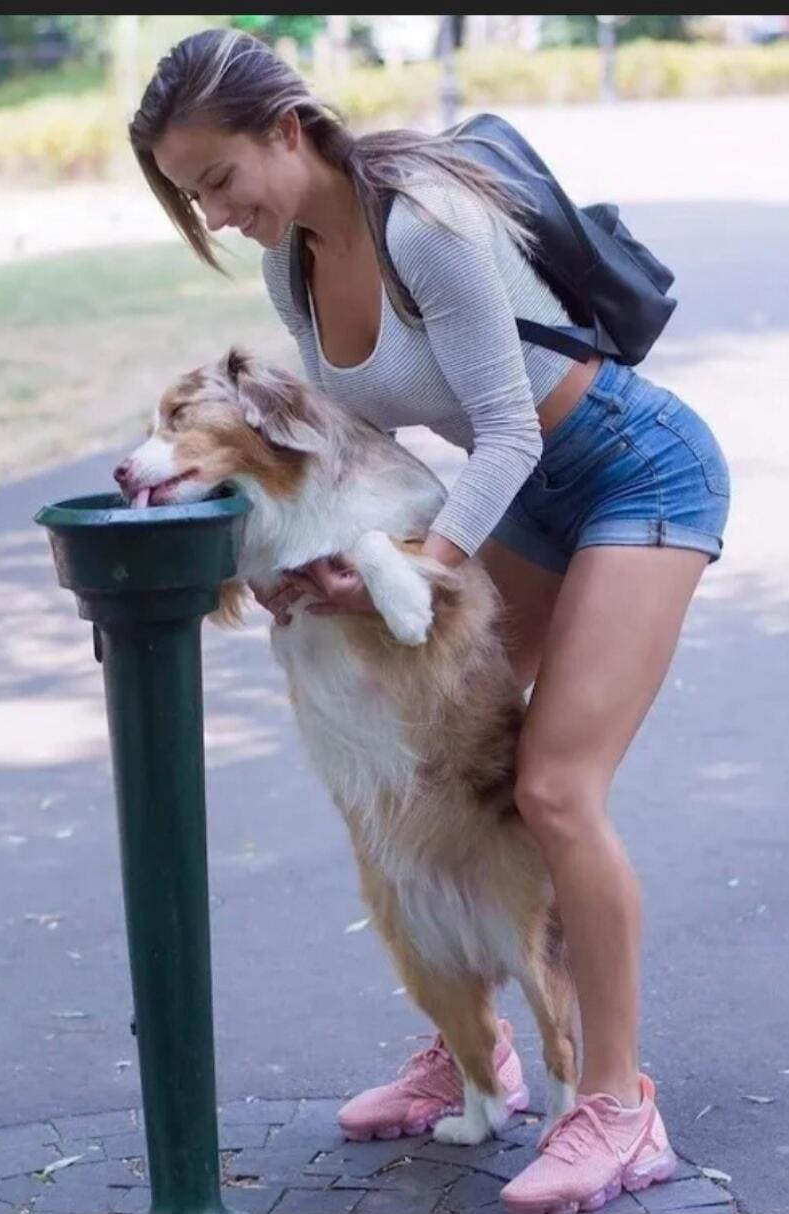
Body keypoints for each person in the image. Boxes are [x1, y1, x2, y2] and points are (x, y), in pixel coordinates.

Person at [130, 28, 730, 1212]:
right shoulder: (289, 267)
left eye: (220, 179)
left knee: (554, 787)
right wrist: (307, 562)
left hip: (629, 471)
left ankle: (618, 1102)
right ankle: (479, 1041)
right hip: (506, 496)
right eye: (192, 197)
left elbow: (506, 431)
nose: (218, 212)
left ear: (287, 130)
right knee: (458, 760)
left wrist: (424, 563)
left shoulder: (425, 224)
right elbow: (364, 448)